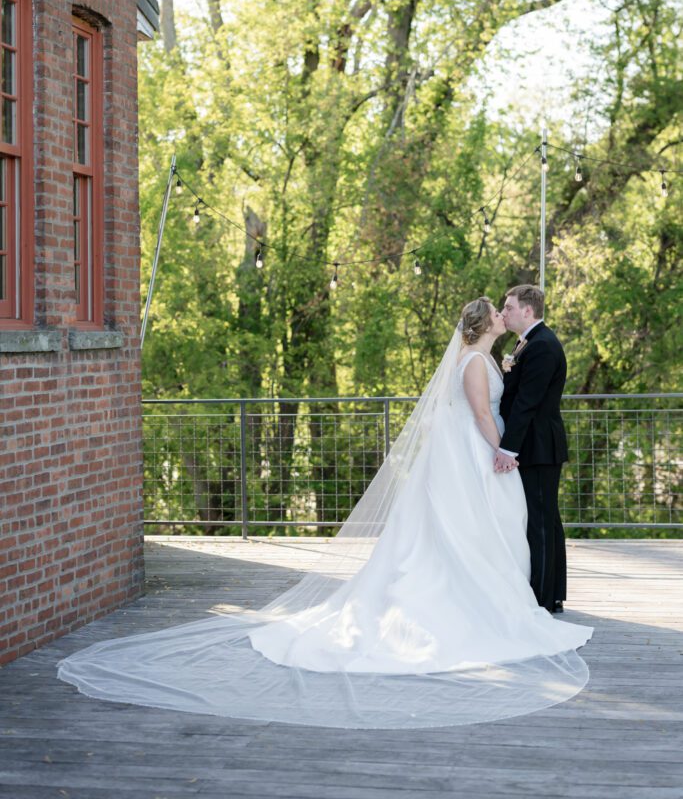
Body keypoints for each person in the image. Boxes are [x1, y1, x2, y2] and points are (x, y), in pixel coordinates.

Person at [57, 296, 593, 730]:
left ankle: (501, 590)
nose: (505, 314)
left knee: (468, 531)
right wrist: (501, 448)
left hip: (466, 452)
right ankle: (480, 600)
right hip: (475, 451)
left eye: (508, 310)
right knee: (463, 532)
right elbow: (481, 411)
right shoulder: (476, 361)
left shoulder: (476, 357)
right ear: (485, 325)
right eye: (499, 312)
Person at [496, 285, 569, 614]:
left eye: (509, 307)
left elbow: (528, 402)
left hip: (538, 446)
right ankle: (551, 593)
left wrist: (508, 449)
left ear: (528, 311)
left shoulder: (541, 346)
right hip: (537, 444)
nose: (504, 312)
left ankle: (541, 598)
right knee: (546, 520)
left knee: (539, 522)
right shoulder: (528, 342)